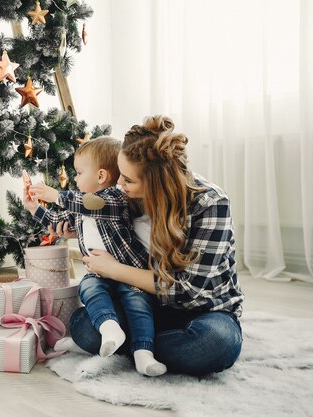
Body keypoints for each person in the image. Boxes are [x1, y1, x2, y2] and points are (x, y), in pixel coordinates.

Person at [48, 115, 244, 376]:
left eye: (128, 180)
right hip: (144, 303)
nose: (120, 184)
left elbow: (188, 291)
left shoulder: (211, 204)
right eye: (121, 176)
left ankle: (138, 346)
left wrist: (113, 269)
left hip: (203, 311)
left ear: (156, 182)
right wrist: (78, 230)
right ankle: (144, 347)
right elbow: (99, 211)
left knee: (216, 344)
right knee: (84, 326)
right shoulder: (129, 195)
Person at [23, 137, 168, 376]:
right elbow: (59, 222)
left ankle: (144, 353)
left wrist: (57, 195)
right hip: (98, 273)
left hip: (128, 273)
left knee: (137, 305)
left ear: (101, 176)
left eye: (79, 173)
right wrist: (34, 208)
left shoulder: (114, 198)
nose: (75, 179)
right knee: (88, 288)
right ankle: (109, 327)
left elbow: (93, 204)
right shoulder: (80, 209)